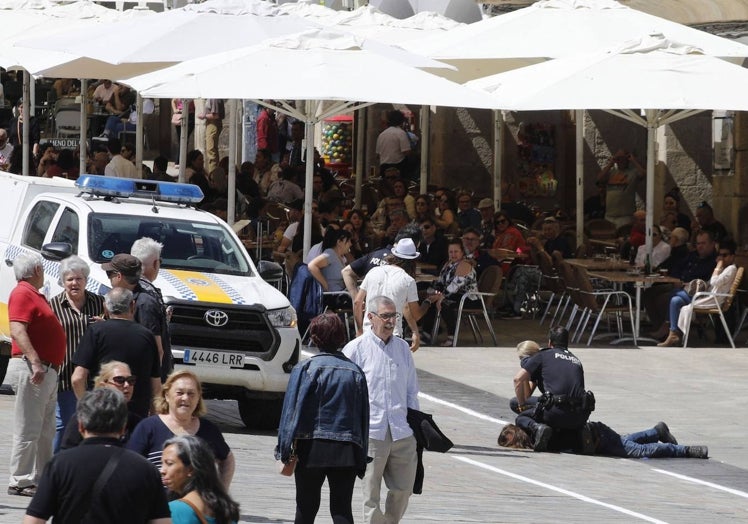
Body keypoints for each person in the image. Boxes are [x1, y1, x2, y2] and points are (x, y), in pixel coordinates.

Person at [23, 388, 171, 524]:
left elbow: (34, 520)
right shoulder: (146, 470)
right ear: (123, 428)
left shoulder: (60, 464)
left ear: (80, 426)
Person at [276, 314, 369, 524]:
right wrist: (361, 457)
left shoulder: (305, 368)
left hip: (311, 448)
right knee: (342, 509)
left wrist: (283, 449)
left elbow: (290, 411)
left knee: (305, 509)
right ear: (340, 337)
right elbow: (363, 418)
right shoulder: (355, 372)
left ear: (315, 338)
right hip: (347, 449)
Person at [343, 296, 419, 524]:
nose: (390, 321)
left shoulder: (403, 348)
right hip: (372, 433)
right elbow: (345, 393)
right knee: (371, 494)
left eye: (393, 316)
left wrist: (415, 427)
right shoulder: (355, 349)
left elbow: (411, 390)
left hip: (402, 431)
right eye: (385, 316)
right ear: (370, 317)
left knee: (404, 489)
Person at [6, 253, 66, 498]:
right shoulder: (22, 292)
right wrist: (35, 361)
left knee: (45, 429)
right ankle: (20, 480)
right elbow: (17, 329)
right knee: (28, 427)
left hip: (46, 369)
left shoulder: (33, 293)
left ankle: (42, 479)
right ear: (38, 269)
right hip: (34, 369)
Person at [127, 370, 235, 488]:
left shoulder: (209, 430)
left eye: (191, 393)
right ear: (167, 395)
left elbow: (227, 459)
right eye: (179, 393)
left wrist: (221, 492)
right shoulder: (148, 427)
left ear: (199, 397)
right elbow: (130, 465)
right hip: (158, 504)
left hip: (197, 504)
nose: (185, 398)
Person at [71, 287, 162, 419]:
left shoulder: (95, 332)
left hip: (101, 414)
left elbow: (77, 378)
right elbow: (156, 386)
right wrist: (153, 420)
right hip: (135, 418)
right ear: (132, 306)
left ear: (105, 308)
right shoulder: (147, 336)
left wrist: (87, 408)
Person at [49, 255, 106, 453]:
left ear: (86, 280)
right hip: (65, 375)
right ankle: (57, 469)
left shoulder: (99, 303)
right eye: (70, 279)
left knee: (93, 426)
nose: (74, 283)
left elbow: (114, 328)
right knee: (64, 425)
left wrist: (104, 326)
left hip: (94, 376)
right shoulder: (53, 305)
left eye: (78, 279)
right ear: (63, 282)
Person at [513, 326, 594, 452]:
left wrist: (521, 404)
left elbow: (517, 379)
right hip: (580, 416)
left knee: (521, 418)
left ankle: (538, 428)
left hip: (555, 412)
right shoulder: (577, 360)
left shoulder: (544, 356)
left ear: (550, 342)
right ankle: (581, 431)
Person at [659, 239, 738, 347]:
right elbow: (710, 283)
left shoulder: (731, 269)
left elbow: (715, 281)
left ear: (732, 256)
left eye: (725, 255)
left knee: (675, 292)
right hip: (706, 296)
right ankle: (674, 334)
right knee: (675, 300)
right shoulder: (725, 269)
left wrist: (717, 267)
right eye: (720, 255)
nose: (721, 258)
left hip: (712, 301)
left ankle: (674, 327)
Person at [355, 238, 429, 351]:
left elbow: (357, 302)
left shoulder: (373, 272)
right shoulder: (408, 280)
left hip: (368, 330)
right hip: (392, 333)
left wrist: (359, 330)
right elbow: (416, 314)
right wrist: (428, 302)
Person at [498, 421, 709, 459]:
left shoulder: (541, 437)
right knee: (625, 441)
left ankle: (684, 450)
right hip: (597, 433)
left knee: (637, 451)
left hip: (599, 439)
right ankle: (656, 431)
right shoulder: (538, 428)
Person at [645, 230, 718, 336]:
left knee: (664, 298)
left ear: (712, 244)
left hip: (695, 291)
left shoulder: (714, 261)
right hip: (678, 284)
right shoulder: (692, 255)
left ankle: (668, 328)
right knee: (649, 293)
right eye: (698, 243)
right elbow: (677, 266)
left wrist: (684, 282)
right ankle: (659, 326)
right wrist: (677, 278)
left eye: (703, 243)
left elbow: (704, 279)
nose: (700, 246)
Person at [104, 253, 167, 374]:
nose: (109, 279)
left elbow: (157, 349)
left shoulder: (144, 304)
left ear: (119, 276)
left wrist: (150, 382)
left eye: (109, 274)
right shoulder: (128, 298)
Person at [61, 361, 142, 449]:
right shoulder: (84, 417)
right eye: (119, 380)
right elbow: (67, 451)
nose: (127, 385)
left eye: (131, 380)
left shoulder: (137, 423)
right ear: (103, 385)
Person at [162, 435, 240, 524]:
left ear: (190, 469)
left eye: (169, 463)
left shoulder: (174, 511)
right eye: (162, 464)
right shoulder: (226, 509)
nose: (162, 470)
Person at [131, 237, 173, 381]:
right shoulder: (147, 298)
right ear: (156, 263)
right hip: (149, 380)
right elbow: (156, 350)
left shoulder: (127, 289)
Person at [423, 239, 478, 347]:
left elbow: (455, 286)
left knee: (445, 304)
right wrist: (434, 293)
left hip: (467, 298)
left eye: (456, 251)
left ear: (462, 252)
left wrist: (440, 297)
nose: (453, 254)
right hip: (452, 295)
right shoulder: (448, 264)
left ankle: (452, 336)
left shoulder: (465, 265)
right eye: (451, 252)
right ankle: (426, 334)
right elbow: (439, 282)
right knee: (428, 299)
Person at [597, 148, 645, 228]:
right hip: (610, 215)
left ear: (628, 159)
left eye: (623, 158)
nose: (621, 161)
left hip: (625, 216)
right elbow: (599, 178)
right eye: (618, 158)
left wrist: (633, 160)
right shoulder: (611, 172)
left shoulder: (633, 172)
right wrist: (611, 163)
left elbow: (643, 174)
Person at [376, 110, 411, 178]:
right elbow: (406, 152)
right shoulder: (401, 133)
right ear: (401, 121)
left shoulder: (382, 135)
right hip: (398, 167)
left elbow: (378, 155)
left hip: (384, 167)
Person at [200, 98, 224, 174]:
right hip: (211, 123)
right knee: (212, 150)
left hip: (213, 124)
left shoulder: (214, 97)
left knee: (211, 151)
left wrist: (204, 116)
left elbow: (215, 115)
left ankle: (213, 174)